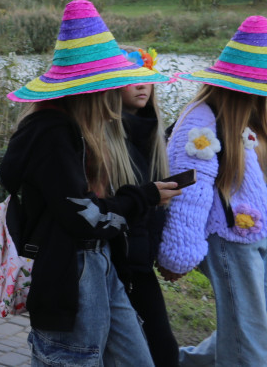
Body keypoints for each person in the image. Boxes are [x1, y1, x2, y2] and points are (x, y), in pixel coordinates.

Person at [1, 0, 177, 366]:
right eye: (116, 82)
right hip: (70, 272)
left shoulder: (77, 130)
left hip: (97, 262)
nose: (121, 90)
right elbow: (83, 216)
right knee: (75, 359)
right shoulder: (52, 133)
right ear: (93, 88)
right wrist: (141, 198)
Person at [158, 15, 267, 365]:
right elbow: (189, 192)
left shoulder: (258, 114)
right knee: (250, 338)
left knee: (250, 328)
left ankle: (183, 363)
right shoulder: (202, 120)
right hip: (229, 241)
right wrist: (179, 255)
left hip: (259, 235)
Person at [118, 47, 179, 367]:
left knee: (163, 349)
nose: (142, 86)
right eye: (132, 79)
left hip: (142, 261)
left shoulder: (156, 134)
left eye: (147, 79)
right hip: (117, 263)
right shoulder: (108, 135)